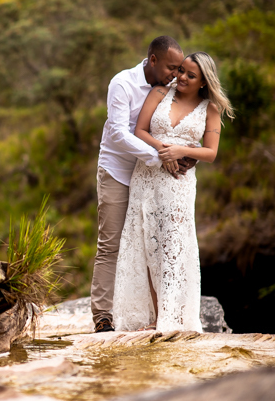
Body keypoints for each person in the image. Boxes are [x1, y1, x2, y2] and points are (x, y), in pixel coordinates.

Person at [112, 52, 234, 332]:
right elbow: (140, 131)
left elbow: (211, 153)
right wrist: (164, 151)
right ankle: (156, 317)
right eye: (181, 71)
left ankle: (173, 315)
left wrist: (182, 151)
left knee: (173, 246)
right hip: (147, 177)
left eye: (190, 75)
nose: (181, 78)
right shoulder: (159, 93)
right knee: (146, 244)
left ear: (203, 81)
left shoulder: (210, 109)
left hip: (179, 184)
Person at [92, 36, 185, 333]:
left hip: (152, 177)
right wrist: (160, 155)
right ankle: (103, 317)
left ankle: (157, 316)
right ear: (153, 60)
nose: (175, 73)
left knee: (152, 245)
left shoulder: (170, 87)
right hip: (118, 172)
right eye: (171, 67)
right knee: (111, 245)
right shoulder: (122, 83)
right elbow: (118, 134)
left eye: (179, 68)